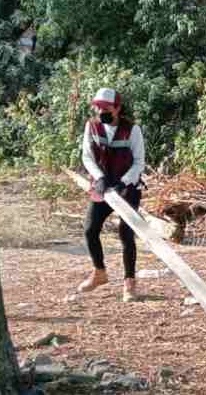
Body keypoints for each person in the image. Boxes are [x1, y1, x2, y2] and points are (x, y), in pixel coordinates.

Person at [78, 87, 146, 302]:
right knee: (90, 230)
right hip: (103, 187)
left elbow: (138, 162)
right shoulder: (92, 126)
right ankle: (99, 272)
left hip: (127, 187)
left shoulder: (132, 130)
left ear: (117, 108)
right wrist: (99, 178)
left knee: (126, 233)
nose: (100, 111)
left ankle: (129, 283)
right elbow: (87, 157)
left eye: (105, 108)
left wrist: (123, 183)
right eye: (97, 107)